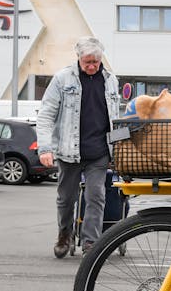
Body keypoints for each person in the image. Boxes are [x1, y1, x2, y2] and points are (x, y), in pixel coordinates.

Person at [36, 37, 120, 258]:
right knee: (66, 199)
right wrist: (45, 148)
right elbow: (46, 115)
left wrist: (119, 148)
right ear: (78, 59)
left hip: (99, 153)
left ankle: (91, 242)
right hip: (68, 152)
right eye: (87, 62)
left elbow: (115, 118)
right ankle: (65, 234)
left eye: (96, 62)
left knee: (96, 196)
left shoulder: (111, 81)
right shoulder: (62, 79)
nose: (92, 66)